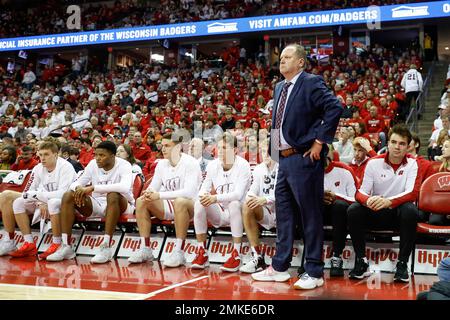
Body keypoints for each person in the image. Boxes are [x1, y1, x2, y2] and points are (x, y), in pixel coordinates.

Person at [251, 44, 343, 290]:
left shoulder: (312, 82)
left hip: (304, 158)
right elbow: (277, 121)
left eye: (287, 57)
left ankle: (314, 270)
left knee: (310, 215)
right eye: (280, 57)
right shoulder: (279, 86)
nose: (281, 61)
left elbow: (335, 107)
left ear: (301, 62)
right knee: (284, 214)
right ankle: (280, 267)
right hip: (283, 159)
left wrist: (320, 141)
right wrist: (273, 151)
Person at [347, 124, 421, 282]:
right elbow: (359, 192)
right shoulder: (374, 162)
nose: (397, 147)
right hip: (375, 211)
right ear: (388, 143)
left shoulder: (413, 164)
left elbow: (412, 193)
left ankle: (402, 264)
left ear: (408, 147)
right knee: (354, 209)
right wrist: (369, 200)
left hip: (397, 214)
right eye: (394, 142)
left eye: (402, 144)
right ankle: (361, 261)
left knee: (411, 210)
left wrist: (389, 202)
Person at [46, 141, 135, 263]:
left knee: (113, 194)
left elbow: (124, 187)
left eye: (102, 155)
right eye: (96, 155)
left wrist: (93, 188)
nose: (97, 158)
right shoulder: (93, 164)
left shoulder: (124, 165)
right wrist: (78, 189)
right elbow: (75, 183)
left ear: (113, 156)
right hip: (98, 204)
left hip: (122, 205)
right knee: (68, 195)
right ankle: (66, 246)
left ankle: (106, 247)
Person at [128, 132, 202, 267]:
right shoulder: (161, 164)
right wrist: (148, 193)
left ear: (178, 147)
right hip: (170, 204)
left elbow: (189, 192)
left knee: (180, 201)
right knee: (141, 201)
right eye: (162, 146)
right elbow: (153, 187)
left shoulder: (191, 163)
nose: (163, 149)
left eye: (167, 146)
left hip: (191, 206)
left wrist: (159, 195)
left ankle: (179, 252)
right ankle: (146, 249)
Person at [0, 140, 77, 259]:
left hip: (65, 203)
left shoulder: (66, 167)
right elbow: (28, 191)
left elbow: (63, 193)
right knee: (18, 202)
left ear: (56, 155)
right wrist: (39, 201)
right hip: (42, 201)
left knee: (52, 202)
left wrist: (41, 199)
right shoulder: (38, 168)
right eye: (40, 155)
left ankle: (57, 243)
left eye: (46, 154)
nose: (42, 158)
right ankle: (28, 243)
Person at [190, 132, 251, 272]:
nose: (220, 151)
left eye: (225, 148)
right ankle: (202, 251)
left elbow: (238, 194)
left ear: (235, 150)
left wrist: (214, 198)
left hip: (240, 212)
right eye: (219, 148)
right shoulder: (213, 165)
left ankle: (236, 254)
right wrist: (204, 196)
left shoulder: (243, 165)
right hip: (221, 211)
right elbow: (203, 188)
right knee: (200, 202)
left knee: (234, 203)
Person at [240, 143, 278, 273]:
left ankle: (282, 260)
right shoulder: (258, 169)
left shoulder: (283, 167)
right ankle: (257, 257)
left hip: (284, 211)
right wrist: (250, 198)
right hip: (266, 211)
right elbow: (252, 190)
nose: (265, 154)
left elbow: (286, 193)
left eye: (268, 151)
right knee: (247, 205)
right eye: (262, 152)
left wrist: (265, 199)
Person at [322, 145, 358, 277]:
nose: (323, 154)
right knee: (307, 206)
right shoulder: (310, 171)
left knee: (339, 206)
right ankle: (310, 257)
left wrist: (336, 197)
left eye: (327, 151)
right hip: (319, 212)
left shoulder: (344, 171)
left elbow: (355, 201)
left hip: (341, 214)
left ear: (332, 153)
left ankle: (336, 256)